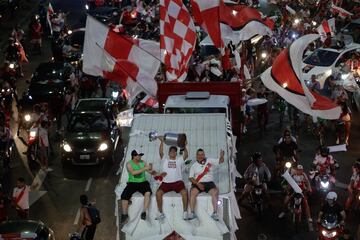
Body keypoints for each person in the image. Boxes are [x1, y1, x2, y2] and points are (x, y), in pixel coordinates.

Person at [155, 137, 188, 221]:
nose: (173, 152)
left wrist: (184, 145)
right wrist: (162, 142)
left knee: (184, 192)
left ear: (176, 153)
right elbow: (160, 152)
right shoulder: (165, 160)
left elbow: (186, 155)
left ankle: (185, 212)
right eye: (171, 151)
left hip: (177, 183)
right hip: (166, 183)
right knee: (158, 193)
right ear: (169, 153)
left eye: (174, 151)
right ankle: (160, 213)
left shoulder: (179, 160)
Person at [188, 148, 224, 221]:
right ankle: (192, 213)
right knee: (192, 192)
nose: (200, 156)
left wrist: (222, 156)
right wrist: (197, 184)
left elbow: (220, 161)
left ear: (204, 155)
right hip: (198, 183)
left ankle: (215, 213)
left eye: (202, 154)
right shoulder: (194, 165)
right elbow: (191, 178)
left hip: (209, 183)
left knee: (215, 192)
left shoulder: (209, 160)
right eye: (199, 154)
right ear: (196, 156)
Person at [120, 150, 154, 224]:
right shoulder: (129, 164)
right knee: (124, 195)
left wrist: (152, 170)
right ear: (134, 156)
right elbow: (133, 172)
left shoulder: (143, 162)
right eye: (139, 155)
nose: (140, 157)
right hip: (132, 183)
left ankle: (144, 212)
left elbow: (150, 172)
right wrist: (145, 168)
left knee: (148, 193)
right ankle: (124, 214)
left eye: (141, 155)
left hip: (143, 182)